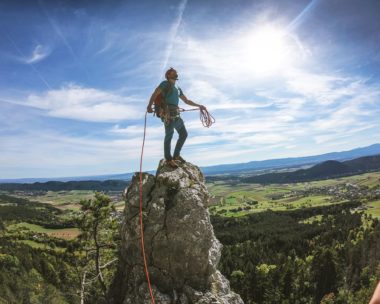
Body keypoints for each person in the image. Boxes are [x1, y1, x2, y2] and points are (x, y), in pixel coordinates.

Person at [147, 68, 206, 168]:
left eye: (176, 73)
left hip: (176, 114)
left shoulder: (178, 88)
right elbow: (155, 93)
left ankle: (176, 155)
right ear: (168, 75)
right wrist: (149, 105)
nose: (176, 73)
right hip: (167, 113)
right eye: (173, 72)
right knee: (169, 135)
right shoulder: (165, 84)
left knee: (183, 134)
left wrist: (199, 105)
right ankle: (168, 159)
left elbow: (186, 101)